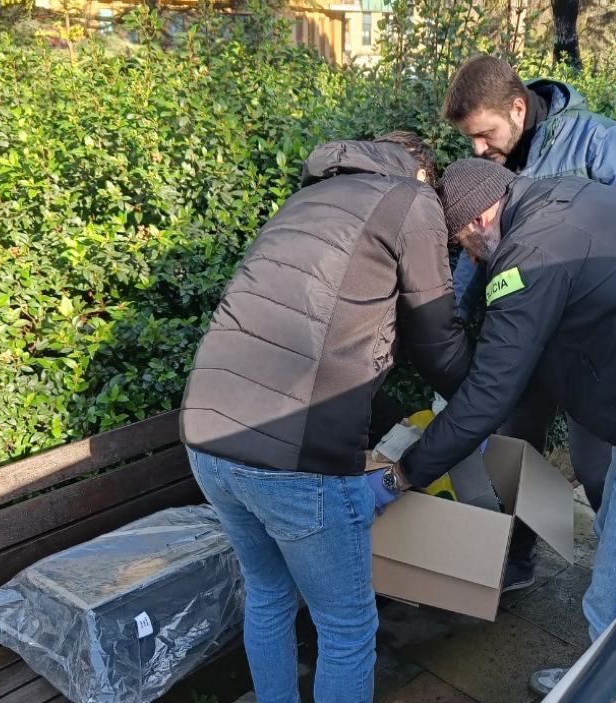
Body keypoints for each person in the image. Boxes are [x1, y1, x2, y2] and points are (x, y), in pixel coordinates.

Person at [373, 159, 616, 697]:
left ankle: (613, 686)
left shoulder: (528, 259)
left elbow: (491, 393)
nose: (467, 258)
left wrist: (402, 474)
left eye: (462, 246)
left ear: (476, 224)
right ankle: (603, 673)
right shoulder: (557, 198)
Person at [179, 133, 471, 703]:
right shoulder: (410, 202)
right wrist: (487, 394)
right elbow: (437, 337)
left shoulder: (305, 201)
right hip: (293, 458)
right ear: (419, 173)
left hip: (207, 438)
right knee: (346, 629)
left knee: (268, 598)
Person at [441, 54, 616, 591]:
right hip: (525, 338)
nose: (478, 149)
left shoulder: (600, 142)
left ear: (517, 108)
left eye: (484, 135)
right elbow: (472, 254)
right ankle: (519, 557)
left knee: (595, 467)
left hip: (592, 345)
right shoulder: (494, 160)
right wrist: (444, 319)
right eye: (470, 139)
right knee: (516, 451)